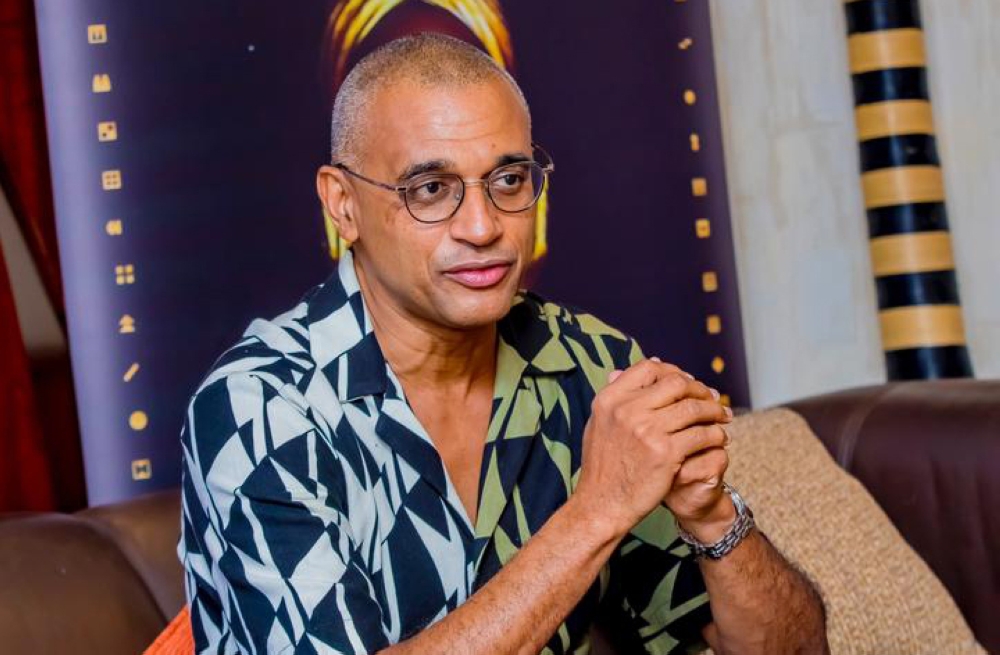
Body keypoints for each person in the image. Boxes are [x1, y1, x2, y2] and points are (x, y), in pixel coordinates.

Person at [179, 33, 828, 655]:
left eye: (509, 180)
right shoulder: (260, 409)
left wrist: (714, 517)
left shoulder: (588, 364)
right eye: (431, 189)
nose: (483, 225)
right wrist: (596, 511)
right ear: (343, 204)